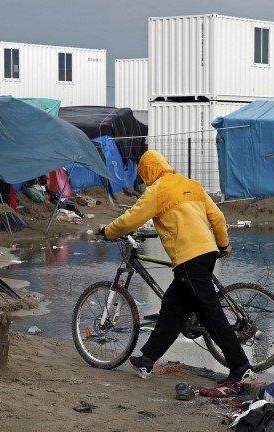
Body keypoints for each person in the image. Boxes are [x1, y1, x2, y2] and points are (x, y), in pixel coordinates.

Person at [99, 150, 254, 389]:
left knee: (211, 315)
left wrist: (107, 231)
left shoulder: (157, 190)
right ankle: (147, 360)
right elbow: (218, 217)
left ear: (148, 171)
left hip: (189, 258)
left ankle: (240, 366)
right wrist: (223, 244)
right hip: (206, 252)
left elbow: (131, 219)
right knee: (173, 309)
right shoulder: (191, 184)